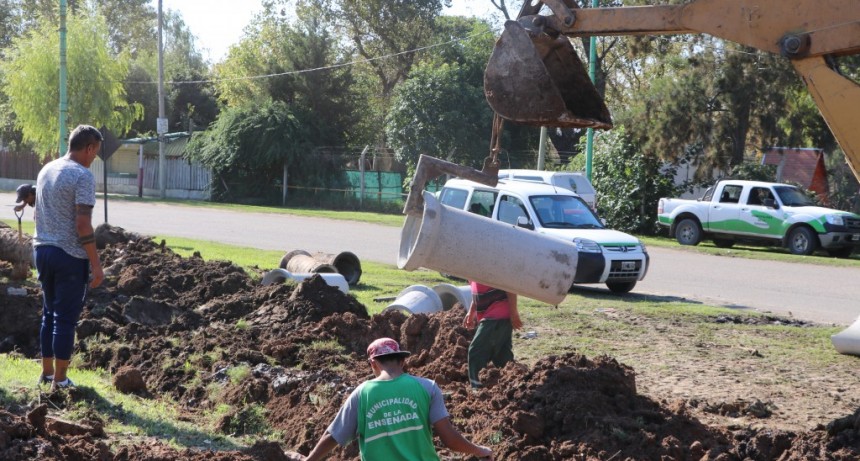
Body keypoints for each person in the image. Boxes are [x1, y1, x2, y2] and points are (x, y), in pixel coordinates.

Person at [292, 337, 493, 461]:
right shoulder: (427, 387)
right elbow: (449, 440)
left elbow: (334, 436)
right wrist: (480, 450)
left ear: (372, 364)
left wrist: (309, 460)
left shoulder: (362, 394)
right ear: (403, 361)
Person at [33, 124, 105, 392]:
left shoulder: (46, 169)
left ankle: (47, 374)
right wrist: (96, 265)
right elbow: (83, 225)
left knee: (49, 314)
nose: (94, 157)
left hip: (42, 250)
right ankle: (61, 382)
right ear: (88, 148)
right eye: (95, 152)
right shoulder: (82, 176)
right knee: (65, 319)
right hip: (69, 256)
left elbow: (37, 214)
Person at [463, 282, 522, 389]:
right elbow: (477, 293)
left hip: (495, 317)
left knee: (476, 352)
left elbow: (510, 286)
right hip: (495, 318)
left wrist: (514, 313)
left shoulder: (488, 266)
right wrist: (471, 313)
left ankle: (477, 389)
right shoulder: (471, 271)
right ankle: (514, 384)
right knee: (501, 356)